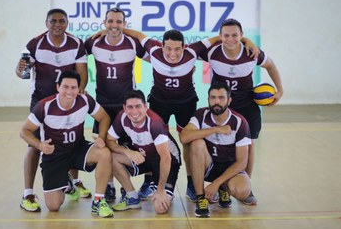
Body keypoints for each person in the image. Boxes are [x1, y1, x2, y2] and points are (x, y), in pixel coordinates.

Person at [121, 28, 259, 202]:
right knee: (152, 141)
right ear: (161, 46)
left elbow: (222, 38)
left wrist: (246, 41)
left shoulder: (192, 51)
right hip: (159, 101)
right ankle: (150, 181)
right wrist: (107, 30)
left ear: (184, 47)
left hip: (185, 103)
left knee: (189, 141)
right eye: (168, 48)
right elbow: (138, 35)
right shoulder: (153, 50)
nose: (173, 53)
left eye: (177, 49)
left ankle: (191, 183)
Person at [201, 18, 284, 205]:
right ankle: (218, 185)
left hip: (247, 106)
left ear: (242, 36)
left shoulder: (251, 53)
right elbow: (189, 52)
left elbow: (271, 65)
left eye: (235, 35)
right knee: (215, 143)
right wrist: (229, 39)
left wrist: (280, 90)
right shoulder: (212, 52)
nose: (230, 39)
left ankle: (246, 185)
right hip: (222, 108)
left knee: (249, 146)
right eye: (226, 35)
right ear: (220, 36)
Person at [15, 8, 90, 212]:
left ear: (67, 23)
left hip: (68, 101)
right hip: (41, 101)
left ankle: (73, 182)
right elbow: (21, 72)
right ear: (46, 23)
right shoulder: (35, 44)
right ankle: (28, 194)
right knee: (34, 145)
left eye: (62, 21)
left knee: (74, 140)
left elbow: (82, 73)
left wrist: (78, 93)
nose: (57, 24)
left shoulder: (75, 43)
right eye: (53, 21)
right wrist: (20, 68)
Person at [19, 70, 114, 218]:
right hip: (54, 156)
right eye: (65, 87)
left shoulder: (85, 101)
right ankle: (67, 185)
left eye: (73, 87)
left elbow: (104, 117)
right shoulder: (44, 106)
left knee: (104, 153)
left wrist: (101, 137)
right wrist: (39, 145)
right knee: (53, 206)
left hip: (77, 149)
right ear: (58, 87)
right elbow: (24, 131)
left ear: (78, 88)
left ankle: (98, 200)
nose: (69, 91)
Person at [85, 7, 150, 201]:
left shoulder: (132, 43)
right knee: (103, 146)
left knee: (126, 146)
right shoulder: (94, 42)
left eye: (119, 22)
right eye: (111, 21)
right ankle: (110, 186)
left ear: (125, 24)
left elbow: (155, 59)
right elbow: (75, 61)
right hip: (103, 105)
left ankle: (125, 187)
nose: (114, 25)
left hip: (126, 107)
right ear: (104, 23)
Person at [180, 82, 252, 217]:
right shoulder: (201, 114)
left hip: (229, 170)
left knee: (242, 191)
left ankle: (223, 187)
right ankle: (201, 198)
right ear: (208, 100)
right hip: (209, 167)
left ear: (229, 100)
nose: (216, 102)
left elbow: (242, 162)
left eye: (221, 98)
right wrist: (216, 129)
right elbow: (184, 137)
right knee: (196, 143)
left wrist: (216, 183)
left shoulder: (240, 123)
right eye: (212, 98)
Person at [106, 90, 181, 214]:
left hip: (167, 162)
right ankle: (132, 197)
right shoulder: (122, 117)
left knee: (160, 208)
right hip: (144, 156)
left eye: (138, 106)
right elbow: (110, 140)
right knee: (111, 157)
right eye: (130, 107)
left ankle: (157, 186)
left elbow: (166, 158)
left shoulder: (155, 124)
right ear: (124, 108)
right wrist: (127, 152)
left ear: (145, 107)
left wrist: (161, 191)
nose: (134, 111)